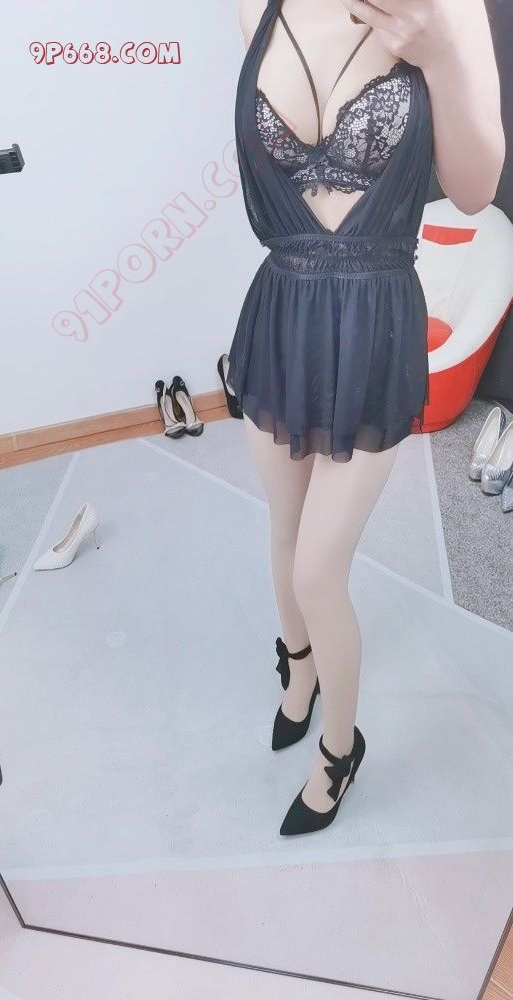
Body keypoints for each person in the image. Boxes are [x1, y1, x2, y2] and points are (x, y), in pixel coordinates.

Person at [226, 0, 505, 836]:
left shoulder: (448, 8)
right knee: (284, 532)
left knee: (319, 569)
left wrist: (442, 57)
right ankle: (300, 667)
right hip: (279, 313)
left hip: (376, 321)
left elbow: (475, 192)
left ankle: (340, 750)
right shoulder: (256, 8)